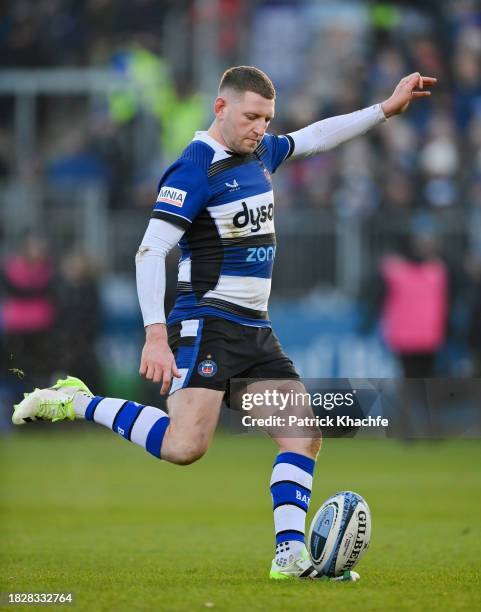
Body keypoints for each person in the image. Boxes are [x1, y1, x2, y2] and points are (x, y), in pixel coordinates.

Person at [12, 66, 436, 580]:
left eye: (267, 119)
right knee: (185, 447)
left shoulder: (258, 152)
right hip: (206, 325)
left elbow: (316, 137)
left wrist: (384, 110)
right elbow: (151, 252)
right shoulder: (194, 169)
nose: (261, 128)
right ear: (221, 108)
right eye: (252, 116)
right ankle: (76, 400)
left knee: (302, 434)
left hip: (255, 329)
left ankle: (289, 555)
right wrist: (153, 335)